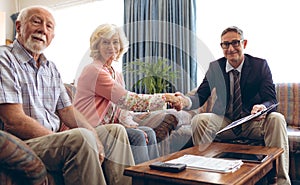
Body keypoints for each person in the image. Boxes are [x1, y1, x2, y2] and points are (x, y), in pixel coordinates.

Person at [0, 6, 135, 185]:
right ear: (19, 27)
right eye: (36, 22)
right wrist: (59, 139)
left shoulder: (51, 67)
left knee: (115, 132)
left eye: (49, 26)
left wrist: (94, 135)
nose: (43, 30)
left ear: (52, 37)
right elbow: (14, 120)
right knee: (81, 138)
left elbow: (68, 110)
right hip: (23, 144)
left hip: (52, 139)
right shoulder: (4, 59)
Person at [172, 26, 291, 185]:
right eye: (225, 44)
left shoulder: (259, 65)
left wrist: (262, 107)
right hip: (226, 123)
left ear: (244, 43)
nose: (230, 48)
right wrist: (184, 100)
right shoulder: (215, 68)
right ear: (221, 47)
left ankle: (281, 181)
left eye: (235, 43)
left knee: (277, 118)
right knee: (200, 120)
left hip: (252, 123)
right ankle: (204, 176)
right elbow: (200, 96)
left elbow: (271, 100)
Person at [73, 23, 179, 164]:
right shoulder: (94, 70)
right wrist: (166, 97)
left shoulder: (116, 74)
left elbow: (121, 108)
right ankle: (141, 179)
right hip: (89, 128)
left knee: (149, 132)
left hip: (110, 128)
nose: (111, 47)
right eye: (105, 42)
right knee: (137, 136)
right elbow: (128, 101)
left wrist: (129, 124)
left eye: (115, 42)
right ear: (97, 46)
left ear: (121, 46)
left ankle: (155, 175)